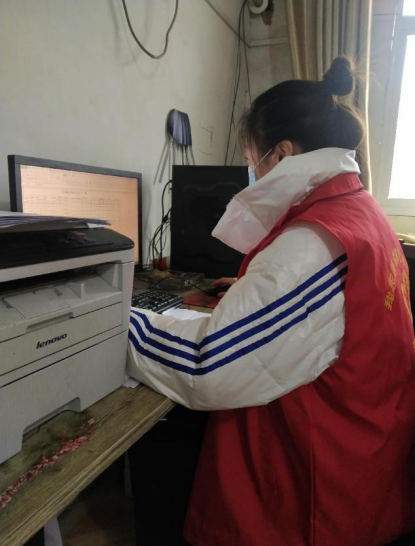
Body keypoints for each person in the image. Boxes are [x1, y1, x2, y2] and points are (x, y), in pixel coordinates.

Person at [127, 57, 415, 546]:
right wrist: (253, 294)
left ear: (281, 154)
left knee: (165, 434)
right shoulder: (360, 210)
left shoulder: (312, 246)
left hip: (319, 488)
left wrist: (116, 324)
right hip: (370, 443)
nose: (252, 173)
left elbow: (208, 364)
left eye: (252, 159)